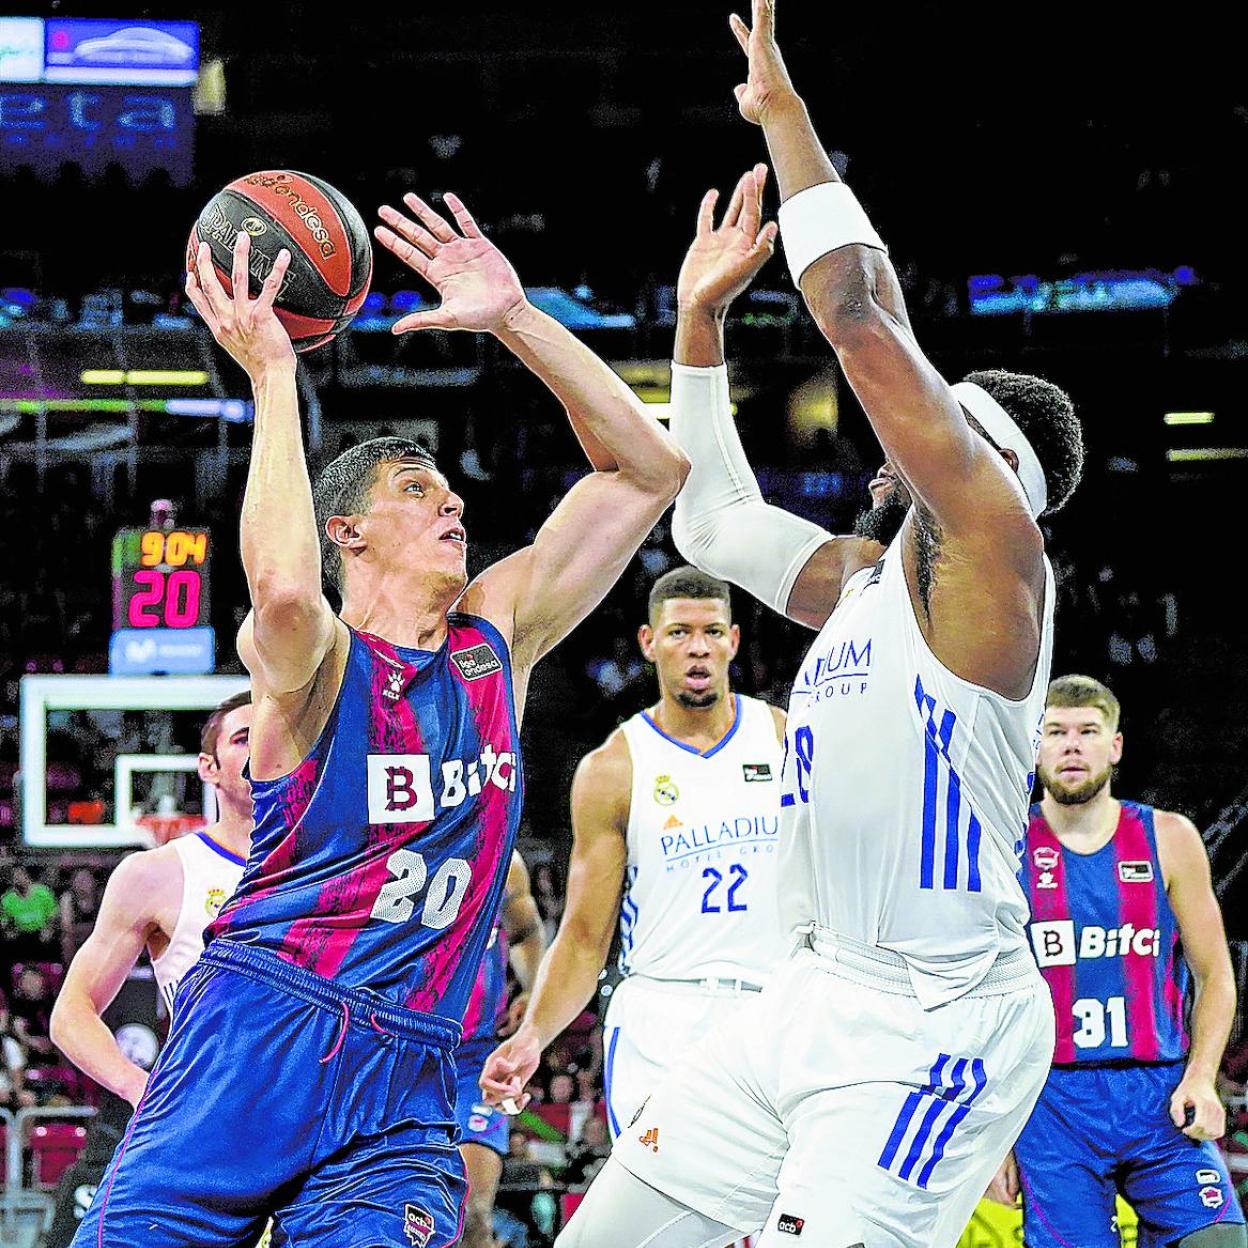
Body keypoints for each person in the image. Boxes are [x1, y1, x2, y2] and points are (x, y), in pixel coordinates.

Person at [545, 4, 1086, 1244]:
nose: (894, 441)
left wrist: (785, 120)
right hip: (810, 991)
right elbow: (716, 525)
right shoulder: (863, 577)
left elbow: (857, 312)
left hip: (931, 1025)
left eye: (935, 422)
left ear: (982, 458)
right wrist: (698, 326)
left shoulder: (996, 563)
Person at [72, 187, 686, 1248]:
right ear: (345, 530)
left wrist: (515, 318)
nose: (452, 503)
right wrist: (272, 372)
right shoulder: (315, 660)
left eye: (450, 488)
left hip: (412, 1064)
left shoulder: (497, 636)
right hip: (263, 1029)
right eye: (418, 487)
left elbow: (650, 472)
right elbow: (280, 593)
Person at [484, 566, 787, 1144]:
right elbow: (582, 936)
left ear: (734, 641)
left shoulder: (779, 736)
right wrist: (533, 1038)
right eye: (678, 632)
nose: (697, 648)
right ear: (649, 643)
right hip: (663, 1016)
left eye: (711, 631)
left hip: (773, 1008)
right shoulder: (614, 768)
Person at [986, 675, 1245, 1247]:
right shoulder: (1002, 846)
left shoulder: (1169, 837)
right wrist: (994, 1131)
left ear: (1116, 745)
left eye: (1087, 731)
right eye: (1055, 732)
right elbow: (980, 993)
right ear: (1034, 746)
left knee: (1220, 1242)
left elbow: (1215, 974)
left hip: (1159, 1094)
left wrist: (1203, 1076)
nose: (1071, 745)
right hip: (1052, 1104)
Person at [46, 692, 252, 1248]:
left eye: (276, 735)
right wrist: (145, 1089)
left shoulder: (341, 861)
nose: (264, 750)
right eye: (243, 737)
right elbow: (71, 1011)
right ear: (207, 768)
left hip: (312, 1133)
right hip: (200, 1129)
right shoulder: (161, 874)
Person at [458, 851, 547, 1248]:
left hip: (473, 1061)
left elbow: (526, 931)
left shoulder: (503, 861)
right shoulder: (383, 841)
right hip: (396, 1054)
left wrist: (532, 991)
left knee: (472, 1211)